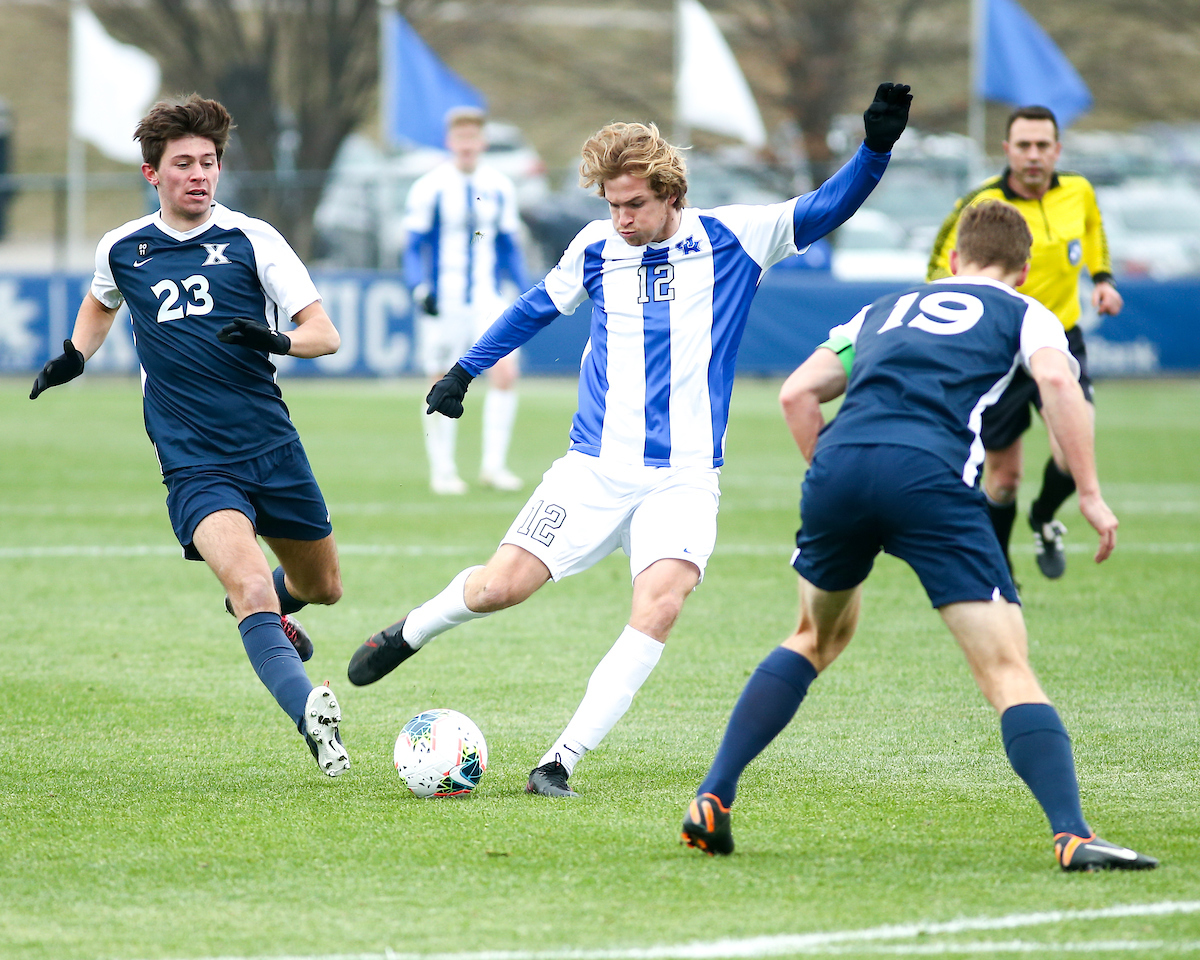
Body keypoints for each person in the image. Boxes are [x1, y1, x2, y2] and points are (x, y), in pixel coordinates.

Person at [348, 83, 914, 797]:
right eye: (612, 204)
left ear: (671, 193)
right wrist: (465, 369)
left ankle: (559, 761)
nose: (620, 218)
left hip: (683, 479)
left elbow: (830, 207)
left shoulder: (736, 236)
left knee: (660, 606)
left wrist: (875, 149)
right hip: (592, 470)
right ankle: (412, 631)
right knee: (499, 588)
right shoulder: (594, 247)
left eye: (634, 205)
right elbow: (534, 307)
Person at [680, 200, 1156, 873]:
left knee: (815, 637)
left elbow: (796, 395)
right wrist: (1088, 492)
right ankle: (1072, 834)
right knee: (1005, 668)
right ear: (1022, 271)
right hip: (930, 477)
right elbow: (1057, 379)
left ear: (954, 261)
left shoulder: (880, 310)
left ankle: (713, 795)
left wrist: (837, 480)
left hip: (839, 466)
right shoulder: (1024, 312)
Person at [29, 95, 350, 777]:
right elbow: (100, 300)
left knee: (321, 587)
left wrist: (277, 339)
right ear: (153, 174)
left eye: (208, 162)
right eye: (184, 164)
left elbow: (325, 334)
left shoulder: (253, 239)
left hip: (271, 445)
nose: (199, 174)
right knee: (250, 588)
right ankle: (311, 715)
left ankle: (270, 614)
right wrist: (74, 355)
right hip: (192, 458)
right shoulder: (123, 247)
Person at [927, 105, 1123, 581]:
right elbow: (939, 265)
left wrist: (1102, 278)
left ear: (1056, 150)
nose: (1033, 155)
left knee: (1071, 453)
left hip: (1061, 341)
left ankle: (1043, 517)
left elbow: (1093, 231)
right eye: (1024, 146)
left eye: (1042, 146)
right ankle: (1000, 566)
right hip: (1000, 347)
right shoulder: (981, 205)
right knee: (1003, 478)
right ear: (1007, 150)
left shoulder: (1079, 191)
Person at [404, 107, 533, 494]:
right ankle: (442, 469)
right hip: (444, 300)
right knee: (441, 379)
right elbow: (412, 246)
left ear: (482, 141)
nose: (466, 145)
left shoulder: (499, 186)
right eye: (459, 138)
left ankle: (494, 466)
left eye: (472, 138)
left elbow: (510, 245)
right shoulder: (429, 187)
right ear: (449, 142)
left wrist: (524, 290)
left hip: (487, 298)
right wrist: (418, 288)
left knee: (506, 373)